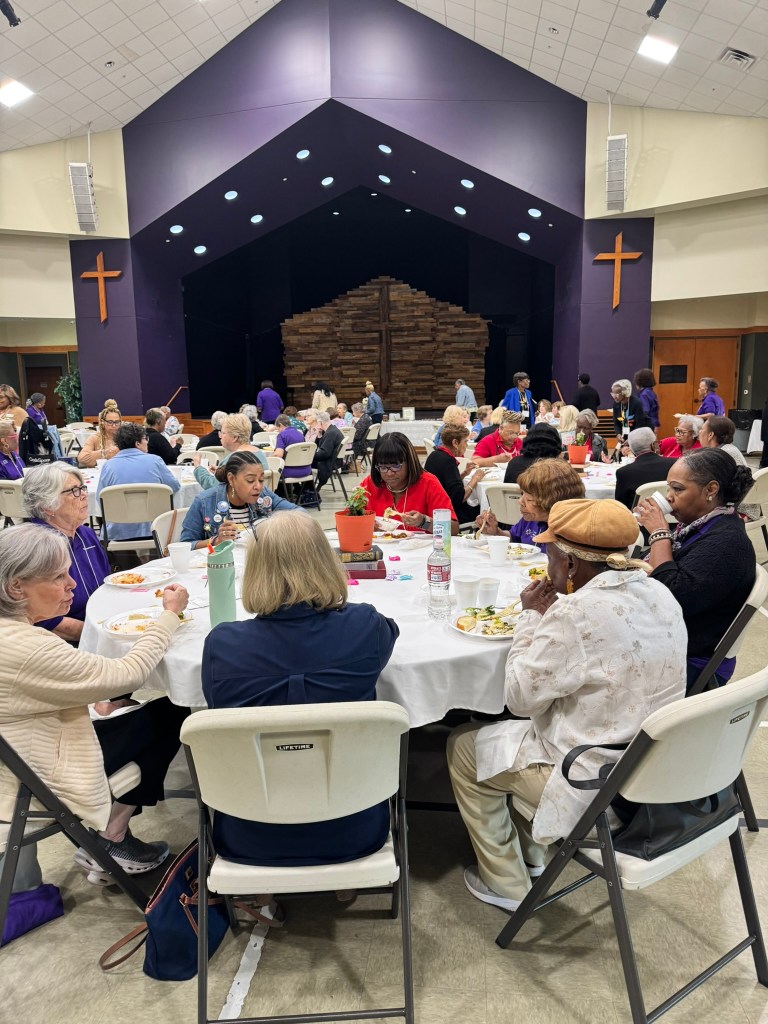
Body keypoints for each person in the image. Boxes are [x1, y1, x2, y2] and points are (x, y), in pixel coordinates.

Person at [447, 498, 686, 911]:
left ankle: (507, 884)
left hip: (591, 781)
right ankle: (534, 854)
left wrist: (531, 617)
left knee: (463, 747)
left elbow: (519, 699)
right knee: (516, 736)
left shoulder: (574, 613)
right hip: (650, 770)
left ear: (572, 565)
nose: (547, 566)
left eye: (550, 556)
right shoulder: (660, 591)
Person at [201, 512, 398, 866]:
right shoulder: (364, 627)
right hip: (355, 828)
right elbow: (390, 632)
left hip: (248, 834)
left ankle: (261, 888)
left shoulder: (223, 645)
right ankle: (343, 883)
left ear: (255, 570)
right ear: (326, 562)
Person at [0, 523, 190, 877]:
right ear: (16, 587)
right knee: (175, 711)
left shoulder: (14, 633)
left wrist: (96, 704)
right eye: (58, 577)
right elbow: (130, 672)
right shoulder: (29, 647)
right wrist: (169, 616)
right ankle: (112, 837)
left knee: (128, 707)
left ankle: (113, 833)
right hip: (39, 776)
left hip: (22, 754)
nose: (72, 584)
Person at [636, 447, 755, 693]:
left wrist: (659, 533)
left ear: (711, 490)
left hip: (690, 660)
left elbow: (668, 597)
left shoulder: (726, 542)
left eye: (677, 489)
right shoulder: (701, 526)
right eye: (668, 488)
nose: (669, 497)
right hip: (677, 639)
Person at [22, 462, 110, 643]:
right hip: (65, 644)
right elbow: (47, 621)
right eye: (73, 491)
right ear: (47, 505)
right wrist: (100, 634)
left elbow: (107, 583)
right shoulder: (36, 547)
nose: (84, 494)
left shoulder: (85, 534)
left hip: (101, 622)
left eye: (82, 488)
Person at [181, 451, 298, 549]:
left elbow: (299, 513)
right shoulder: (204, 501)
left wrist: (277, 524)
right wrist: (216, 541)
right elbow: (186, 545)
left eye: (261, 480)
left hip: (258, 563)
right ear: (231, 479)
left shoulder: (264, 496)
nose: (258, 486)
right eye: (250, 481)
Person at [360, 432, 458, 535]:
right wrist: (365, 524)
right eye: (383, 467)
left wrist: (424, 522)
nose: (389, 473)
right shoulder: (370, 484)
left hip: (421, 545)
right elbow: (351, 517)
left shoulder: (428, 483)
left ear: (409, 462)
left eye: (396, 466)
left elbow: (453, 530)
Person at [97, 423, 180, 542]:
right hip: (156, 528)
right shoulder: (155, 461)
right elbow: (174, 487)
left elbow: (100, 499)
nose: (147, 442)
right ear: (137, 444)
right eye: (145, 439)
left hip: (119, 531)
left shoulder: (108, 466)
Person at [477, 459, 585, 549]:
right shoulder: (531, 518)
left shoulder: (573, 532)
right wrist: (496, 532)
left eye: (528, 499)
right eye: (522, 494)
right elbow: (514, 537)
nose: (520, 501)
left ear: (552, 502)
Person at [696, 416, 760, 521]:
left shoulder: (721, 454)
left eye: (702, 429)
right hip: (747, 507)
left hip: (739, 511)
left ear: (710, 435)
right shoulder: (729, 448)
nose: (699, 432)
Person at [425, 424, 486, 525]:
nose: (466, 445)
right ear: (455, 443)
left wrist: (465, 473)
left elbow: (447, 484)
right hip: (446, 513)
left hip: (432, 508)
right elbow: (459, 498)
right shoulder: (448, 462)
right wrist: (475, 478)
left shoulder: (434, 455)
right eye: (465, 441)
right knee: (482, 509)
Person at [192, 412, 267, 491]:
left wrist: (198, 467)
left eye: (223, 433)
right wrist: (221, 472)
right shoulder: (259, 453)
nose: (220, 436)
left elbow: (213, 486)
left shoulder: (234, 459)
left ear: (234, 437)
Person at [614, 427, 672, 510]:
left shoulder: (623, 472)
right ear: (654, 444)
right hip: (671, 514)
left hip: (638, 516)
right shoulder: (674, 463)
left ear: (632, 449)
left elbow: (621, 506)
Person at [77, 399, 122, 467]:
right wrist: (105, 453)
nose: (114, 425)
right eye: (110, 422)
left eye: (117, 422)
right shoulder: (95, 438)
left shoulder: (124, 438)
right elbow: (82, 458)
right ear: (102, 422)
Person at [311, 411, 344, 493]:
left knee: (304, 463)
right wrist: (319, 435)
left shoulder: (330, 434)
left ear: (321, 422)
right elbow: (322, 447)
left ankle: (308, 489)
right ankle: (309, 488)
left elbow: (324, 454)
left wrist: (309, 455)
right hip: (334, 460)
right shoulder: (332, 430)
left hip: (330, 462)